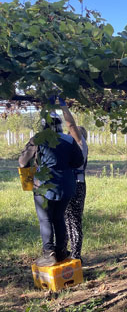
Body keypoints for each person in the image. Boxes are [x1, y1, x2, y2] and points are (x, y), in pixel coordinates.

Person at [19, 108, 84, 266]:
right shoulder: (69, 140)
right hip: (66, 186)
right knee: (59, 217)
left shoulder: (38, 139)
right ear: (60, 124)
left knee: (45, 219)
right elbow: (78, 162)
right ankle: (61, 251)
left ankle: (49, 254)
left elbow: (22, 162)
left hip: (44, 185)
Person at [59, 97, 89, 262]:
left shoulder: (80, 144)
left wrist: (63, 107)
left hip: (76, 185)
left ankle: (76, 256)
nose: (69, 134)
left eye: (72, 133)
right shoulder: (72, 147)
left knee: (74, 220)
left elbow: (71, 125)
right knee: (66, 219)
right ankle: (67, 252)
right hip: (72, 184)